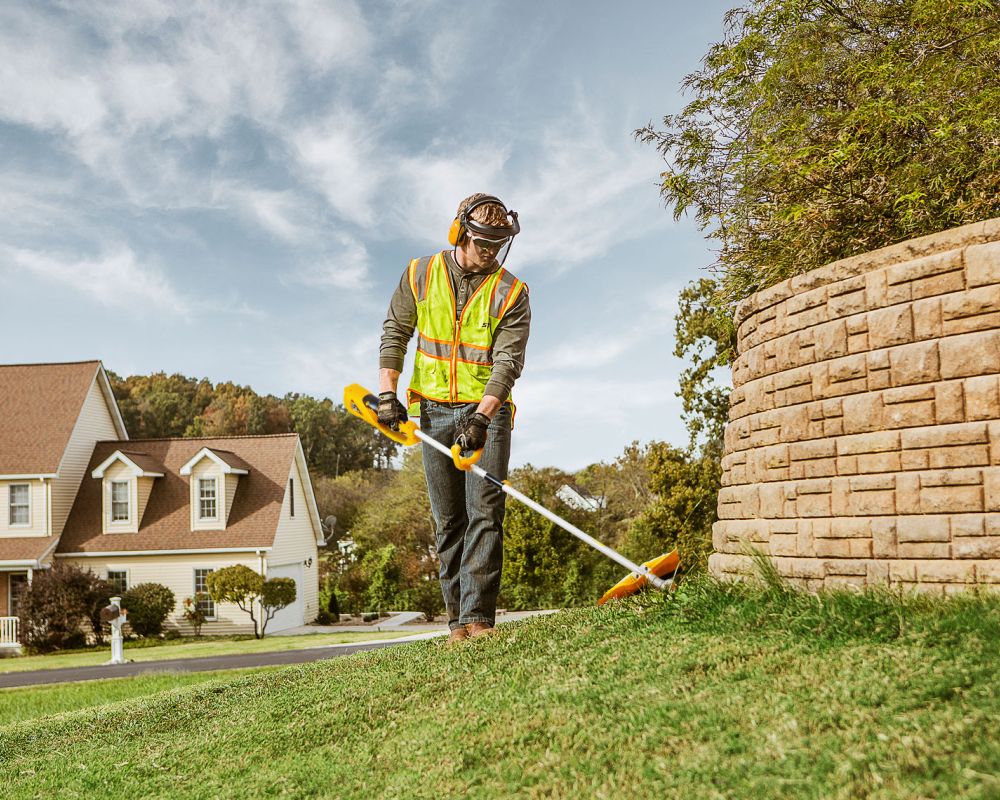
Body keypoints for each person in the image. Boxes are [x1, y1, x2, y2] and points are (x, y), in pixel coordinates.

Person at [377, 193, 530, 643]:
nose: (491, 252)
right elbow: (395, 332)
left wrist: (481, 418)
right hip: (432, 412)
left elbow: (507, 363)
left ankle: (479, 619)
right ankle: (456, 625)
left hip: (487, 414)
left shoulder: (512, 292)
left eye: (499, 244)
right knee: (448, 520)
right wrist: (387, 394)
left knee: (484, 513)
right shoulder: (419, 273)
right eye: (484, 243)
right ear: (460, 232)